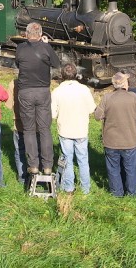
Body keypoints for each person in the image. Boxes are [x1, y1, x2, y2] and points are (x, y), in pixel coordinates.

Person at [15, 22, 61, 176]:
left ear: (27, 34)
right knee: (44, 129)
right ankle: (47, 166)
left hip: (26, 91)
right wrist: (46, 44)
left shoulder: (20, 48)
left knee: (28, 129)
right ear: (41, 35)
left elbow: (17, 63)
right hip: (42, 92)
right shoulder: (45, 47)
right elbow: (56, 64)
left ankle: (33, 165)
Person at [93, 72, 136, 197]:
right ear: (125, 84)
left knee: (113, 169)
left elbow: (97, 116)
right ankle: (132, 193)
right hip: (130, 140)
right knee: (130, 169)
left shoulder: (107, 98)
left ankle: (116, 193)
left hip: (111, 141)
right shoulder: (133, 97)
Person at [51, 63, 96, 194]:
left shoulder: (57, 91)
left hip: (65, 130)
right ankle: (85, 189)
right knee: (83, 160)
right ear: (76, 74)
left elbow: (53, 114)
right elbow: (91, 109)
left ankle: (68, 187)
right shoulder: (84, 89)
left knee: (67, 159)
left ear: (62, 75)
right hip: (81, 129)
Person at [6, 79, 28, 184]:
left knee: (20, 151)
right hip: (36, 124)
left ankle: (22, 178)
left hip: (19, 123)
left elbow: (9, 104)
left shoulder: (14, 83)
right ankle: (38, 175)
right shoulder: (39, 81)